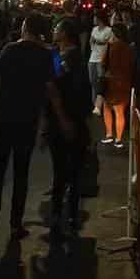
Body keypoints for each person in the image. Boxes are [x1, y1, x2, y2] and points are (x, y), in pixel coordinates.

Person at [0, 12, 73, 239]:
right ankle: (15, 223)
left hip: (4, 118)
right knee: (21, 172)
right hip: (27, 120)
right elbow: (51, 90)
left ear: (24, 27)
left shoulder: (9, 50)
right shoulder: (45, 55)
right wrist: (61, 119)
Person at [48, 17, 92, 238]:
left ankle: (61, 214)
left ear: (65, 33)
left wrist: (52, 54)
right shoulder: (73, 56)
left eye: (57, 27)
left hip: (67, 120)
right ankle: (68, 214)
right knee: (69, 172)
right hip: (72, 121)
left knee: (65, 172)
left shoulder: (70, 57)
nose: (54, 30)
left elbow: (55, 77)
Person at [100, 24, 133, 148]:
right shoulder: (129, 48)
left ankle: (109, 134)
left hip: (111, 80)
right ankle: (118, 139)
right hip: (124, 81)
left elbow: (104, 63)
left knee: (107, 107)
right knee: (120, 111)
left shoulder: (111, 47)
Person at [87, 11, 112, 105]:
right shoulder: (94, 29)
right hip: (92, 57)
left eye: (95, 17)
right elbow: (91, 41)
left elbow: (108, 43)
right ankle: (95, 104)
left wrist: (98, 42)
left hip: (102, 59)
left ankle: (102, 105)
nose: (94, 19)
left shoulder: (109, 30)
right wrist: (94, 44)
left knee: (101, 83)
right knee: (93, 82)